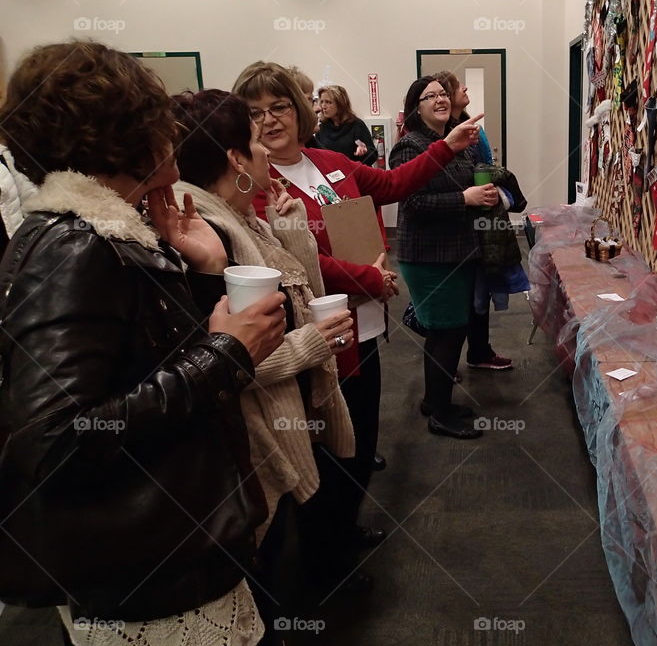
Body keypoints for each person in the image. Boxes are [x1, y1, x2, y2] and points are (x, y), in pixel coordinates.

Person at [0, 41, 287, 645]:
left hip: (165, 543)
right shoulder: (75, 245)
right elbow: (55, 444)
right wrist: (224, 354)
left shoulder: (110, 229)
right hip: (144, 571)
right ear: (120, 134)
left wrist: (205, 271)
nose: (174, 133)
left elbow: (144, 361)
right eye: (159, 119)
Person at [232, 61, 482, 579]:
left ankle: (343, 527)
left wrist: (447, 146)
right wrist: (369, 280)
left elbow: (391, 185)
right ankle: (324, 553)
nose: (269, 120)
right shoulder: (254, 181)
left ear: (299, 110)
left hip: (362, 328)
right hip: (317, 336)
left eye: (278, 106)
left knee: (362, 440)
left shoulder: (328, 160)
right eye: (255, 112)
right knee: (326, 448)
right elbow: (292, 261)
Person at [171, 89, 357, 632]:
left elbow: (299, 292)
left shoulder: (236, 216)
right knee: (269, 568)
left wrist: (293, 227)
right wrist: (314, 343)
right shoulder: (212, 229)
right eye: (254, 139)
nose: (265, 150)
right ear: (234, 158)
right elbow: (244, 355)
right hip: (255, 437)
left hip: (275, 419)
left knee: (282, 557)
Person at [390, 76, 500, 439]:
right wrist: (464, 199)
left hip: (457, 249)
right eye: (429, 96)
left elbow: (470, 179)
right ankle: (440, 414)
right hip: (427, 255)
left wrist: (485, 190)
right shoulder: (410, 146)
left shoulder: (457, 138)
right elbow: (414, 203)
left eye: (442, 94)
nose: (439, 99)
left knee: (449, 330)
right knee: (446, 331)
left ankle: (433, 400)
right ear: (416, 106)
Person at [434, 70, 525, 371]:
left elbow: (486, 166)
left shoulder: (472, 128)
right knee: (457, 297)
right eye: (458, 86)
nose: (464, 88)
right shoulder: (438, 134)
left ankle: (478, 352)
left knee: (478, 289)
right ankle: (446, 368)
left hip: (478, 220)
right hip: (452, 223)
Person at [315, 84, 378, 166]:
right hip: (331, 175)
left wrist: (364, 152)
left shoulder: (357, 125)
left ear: (340, 104)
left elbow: (373, 155)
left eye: (328, 102)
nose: (323, 106)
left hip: (354, 174)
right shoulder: (322, 128)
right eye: (322, 102)